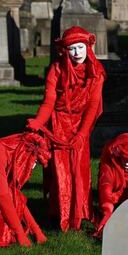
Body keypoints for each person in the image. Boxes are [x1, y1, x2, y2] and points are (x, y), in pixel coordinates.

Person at [27, 26, 105, 231]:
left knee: (79, 170)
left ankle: (79, 215)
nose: (77, 52)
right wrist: (38, 122)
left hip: (81, 123)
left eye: (81, 47)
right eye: (72, 48)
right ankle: (58, 215)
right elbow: (49, 102)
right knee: (59, 171)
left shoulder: (96, 73)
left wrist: (82, 134)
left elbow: (92, 105)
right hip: (58, 123)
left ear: (88, 47)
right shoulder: (57, 69)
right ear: (65, 50)